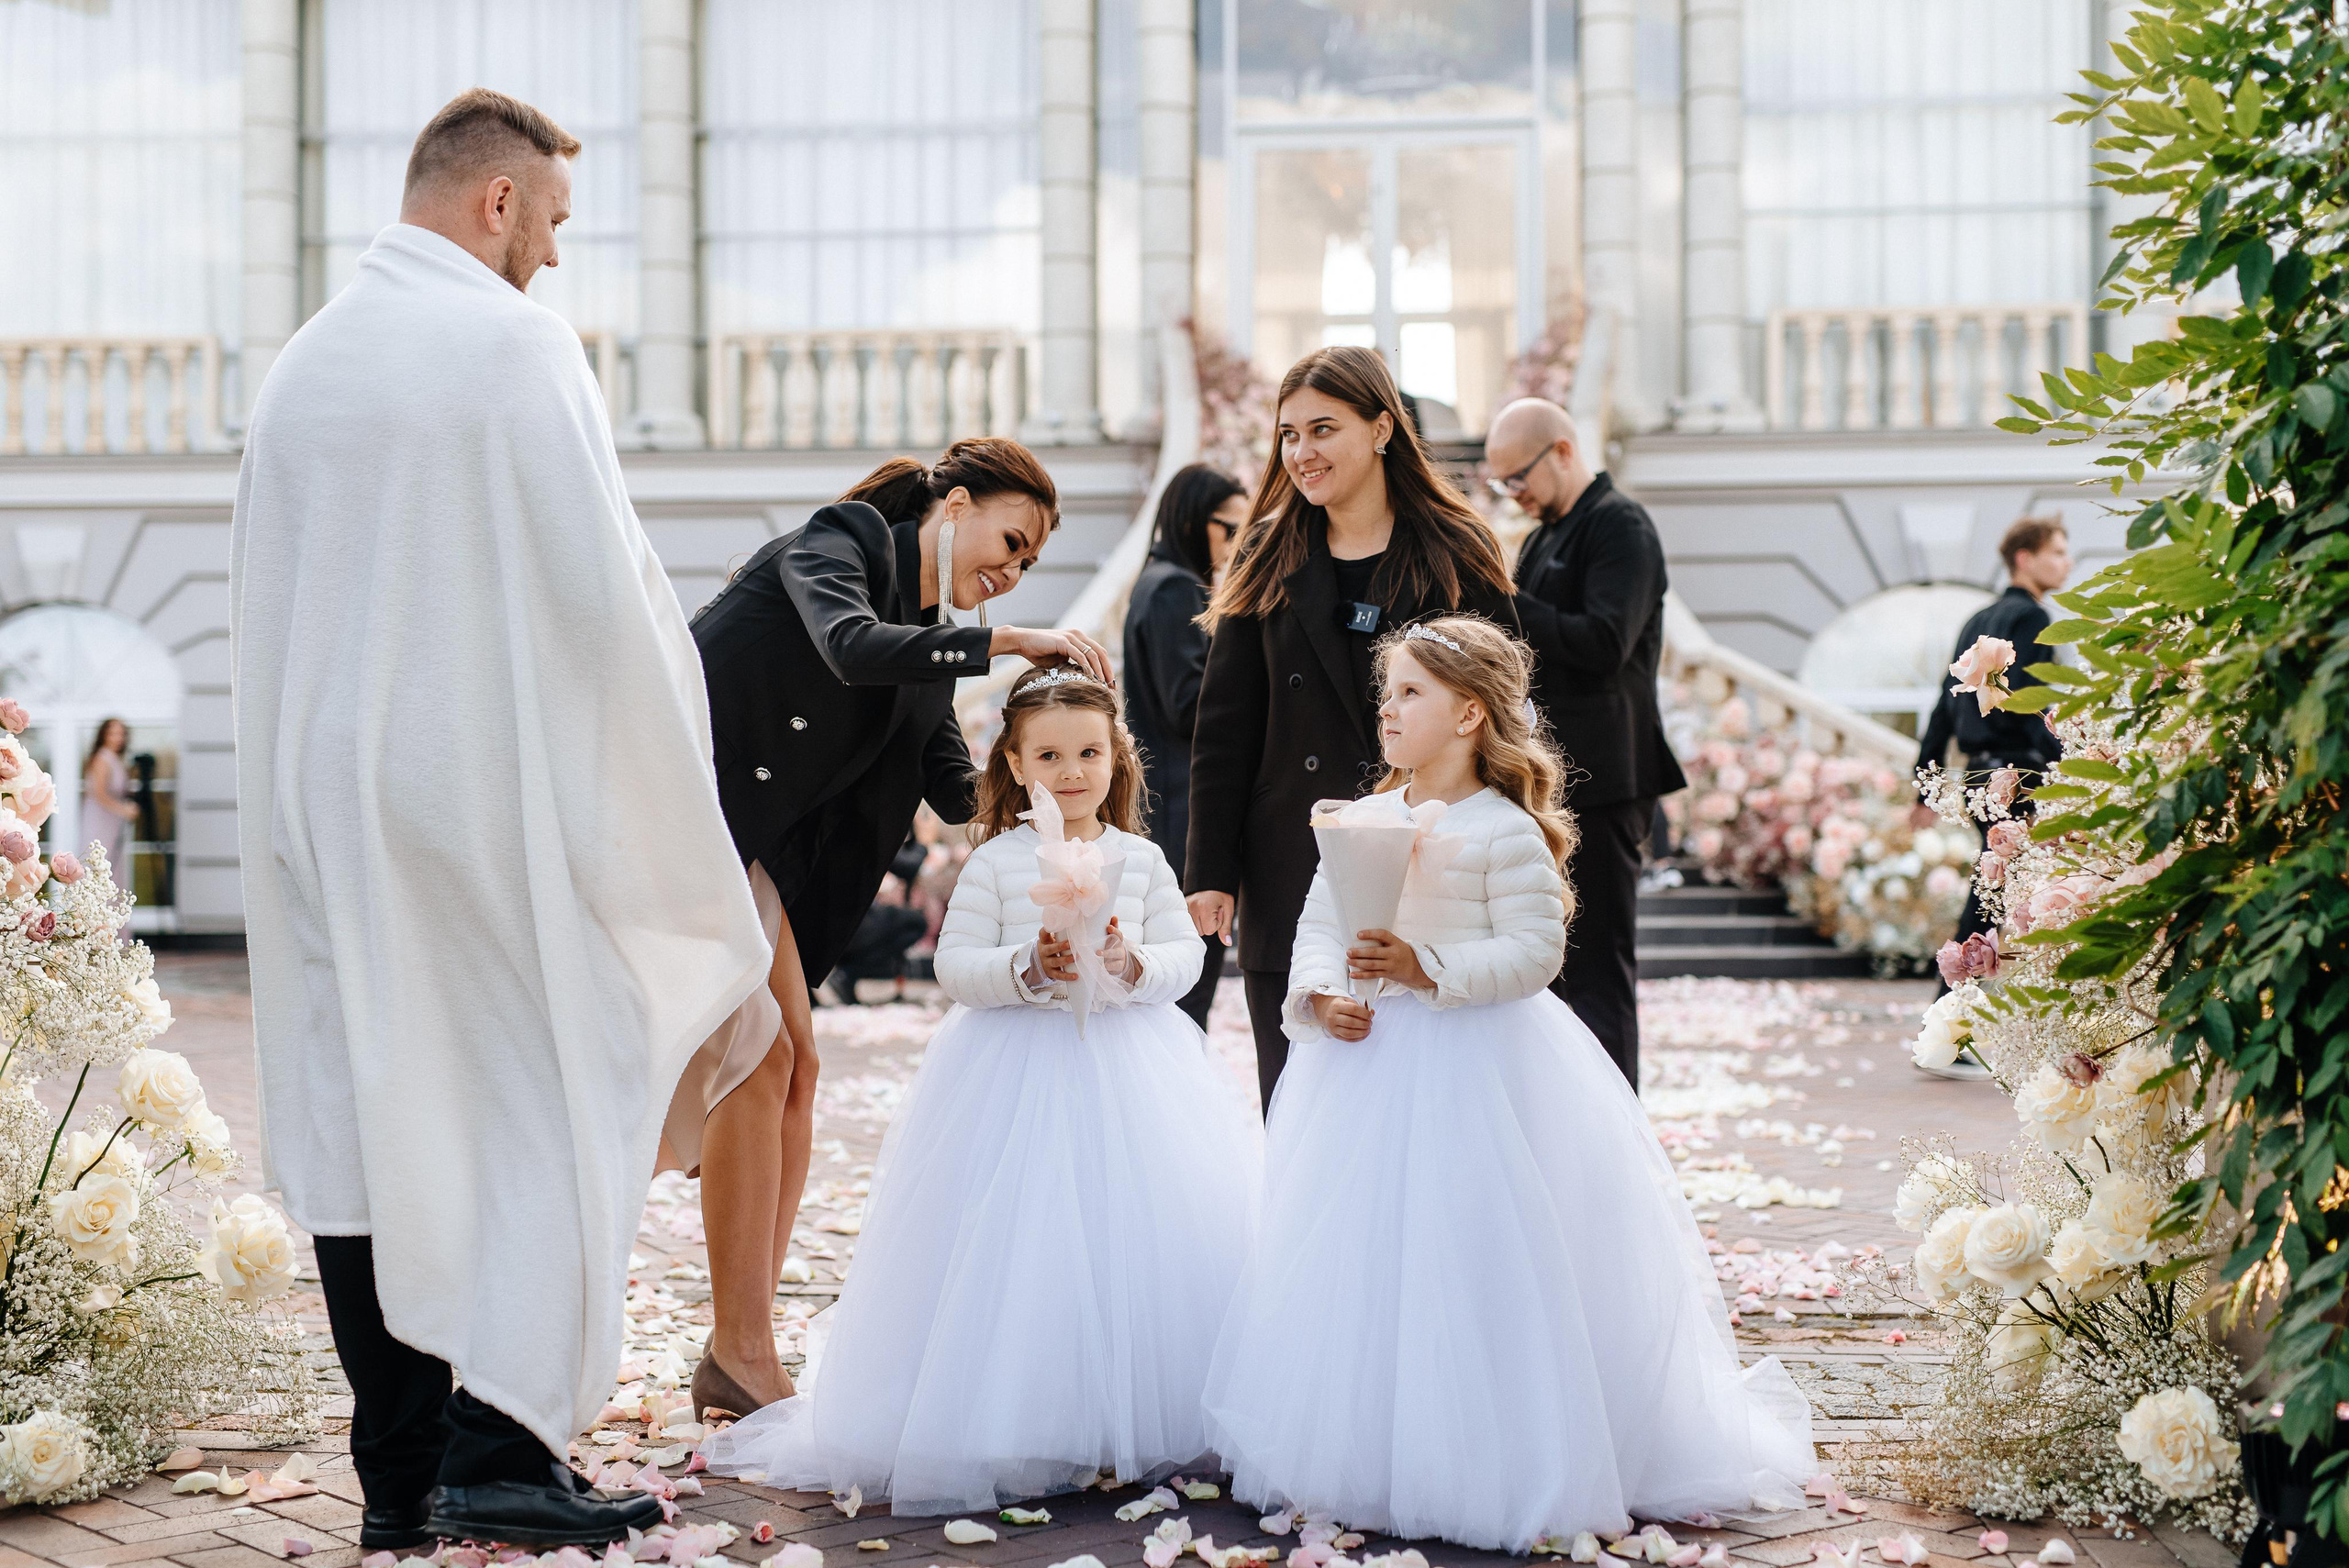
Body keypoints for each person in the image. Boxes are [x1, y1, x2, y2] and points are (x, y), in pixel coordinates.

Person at [232, 89, 770, 1551]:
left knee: (364, 1111)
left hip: (322, 795)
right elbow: (607, 595)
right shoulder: (512, 340)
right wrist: (659, 795)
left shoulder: (303, 366)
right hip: (472, 791)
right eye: (554, 222)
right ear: (495, 202)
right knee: (554, 1078)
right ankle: (506, 1442)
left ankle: (400, 1477)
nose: (554, 256)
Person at [1201, 617, 1815, 1550]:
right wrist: (1321, 997)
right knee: (1366, 1258)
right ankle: (1364, 1443)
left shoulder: (1504, 827)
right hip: (1364, 1073)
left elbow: (1532, 952)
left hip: (1478, 1066)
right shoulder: (1368, 812)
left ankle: (1489, 1444)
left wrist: (1425, 967)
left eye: (1409, 692)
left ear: (1469, 714)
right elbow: (1318, 923)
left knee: (1471, 1252)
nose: (1387, 708)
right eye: (1386, 692)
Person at [703, 667, 1257, 1509]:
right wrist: (1027, 966)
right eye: (1049, 754)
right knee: (1022, 1241)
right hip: (1012, 1075)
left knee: (1131, 1237)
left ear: (1118, 758)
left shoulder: (1139, 860)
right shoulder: (996, 862)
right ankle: (1024, 1408)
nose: (1071, 771)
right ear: (1016, 762)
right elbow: (956, 967)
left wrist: (1129, 960)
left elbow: (1184, 957)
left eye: (1088, 752)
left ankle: (1126, 1409)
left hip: (1132, 1069)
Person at [680, 439, 1114, 1420]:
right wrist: (1011, 642)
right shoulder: (840, 544)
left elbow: (960, 786)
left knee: (796, 1067)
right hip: (684, 817)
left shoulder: (927, 641)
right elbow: (847, 643)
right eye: (1010, 539)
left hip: (751, 855)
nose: (1010, 572)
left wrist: (1062, 764)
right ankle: (742, 1347)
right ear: (953, 504)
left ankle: (733, 1344)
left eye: (1029, 564)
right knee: (761, 1058)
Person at [1187, 346, 1519, 1111]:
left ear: (1380, 430)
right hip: (1288, 860)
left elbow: (1506, 708)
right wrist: (1209, 866)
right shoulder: (1267, 550)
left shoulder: (1455, 550)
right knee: (1299, 1098)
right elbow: (1224, 727)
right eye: (1288, 434)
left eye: (1323, 429)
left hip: (1431, 859)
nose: (1301, 453)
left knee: (1424, 1103)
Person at [1482, 397, 1686, 1090]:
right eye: (1502, 484)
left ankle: (1614, 1136)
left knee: (1599, 967)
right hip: (1553, 783)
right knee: (1552, 965)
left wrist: (1502, 598)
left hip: (1607, 779)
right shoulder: (1545, 535)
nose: (1515, 495)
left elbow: (1604, 643)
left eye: (1519, 477)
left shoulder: (1620, 526)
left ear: (1564, 451)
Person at [1912, 515, 2072, 1004]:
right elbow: (2030, 706)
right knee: (2003, 897)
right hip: (2017, 774)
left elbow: (1943, 707)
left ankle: (1952, 1015)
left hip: (1980, 774)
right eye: (2058, 552)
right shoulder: (2032, 619)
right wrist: (2072, 765)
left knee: (1995, 894)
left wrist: (1922, 784)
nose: (2066, 564)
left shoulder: (1976, 621)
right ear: (2025, 559)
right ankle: (1948, 1014)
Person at [1122, 462, 1248, 1029]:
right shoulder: (1175, 589)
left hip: (1169, 805)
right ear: (1196, 522)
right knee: (1185, 984)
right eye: (1230, 529)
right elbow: (1190, 704)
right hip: (1181, 811)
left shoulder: (1158, 582)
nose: (1236, 545)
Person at [80, 717, 136, 880]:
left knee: (113, 869)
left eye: (120, 734)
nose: (117, 738)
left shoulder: (115, 759)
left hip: (112, 822)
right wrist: (123, 810)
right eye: (112, 734)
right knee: (99, 867)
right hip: (100, 821)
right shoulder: (101, 759)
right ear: (103, 735)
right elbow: (99, 794)